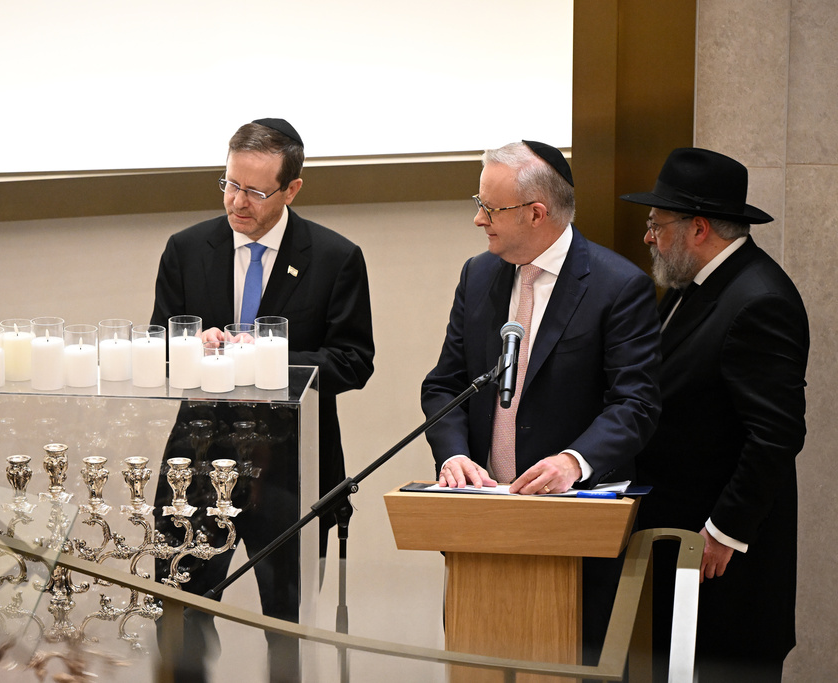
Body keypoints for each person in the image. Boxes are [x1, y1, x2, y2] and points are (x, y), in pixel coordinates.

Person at [150, 118, 375, 681]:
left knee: (291, 627)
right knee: (180, 616)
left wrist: (270, 358)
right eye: (228, 184)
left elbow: (354, 361)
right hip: (197, 463)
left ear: (292, 189)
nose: (236, 202)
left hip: (291, 468)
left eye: (254, 190)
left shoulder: (334, 257)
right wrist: (188, 346)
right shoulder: (186, 248)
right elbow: (156, 345)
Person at [421, 140, 662, 663]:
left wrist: (573, 462)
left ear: (536, 212)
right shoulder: (479, 275)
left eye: (489, 207)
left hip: (573, 534)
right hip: (484, 526)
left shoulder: (619, 286)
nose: (477, 219)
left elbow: (635, 404)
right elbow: (445, 384)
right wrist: (453, 454)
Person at [622, 147, 809, 682]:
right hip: (682, 558)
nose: (648, 236)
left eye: (657, 224)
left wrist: (725, 530)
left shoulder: (758, 299)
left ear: (698, 228)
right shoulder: (698, 287)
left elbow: (776, 434)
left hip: (724, 569)